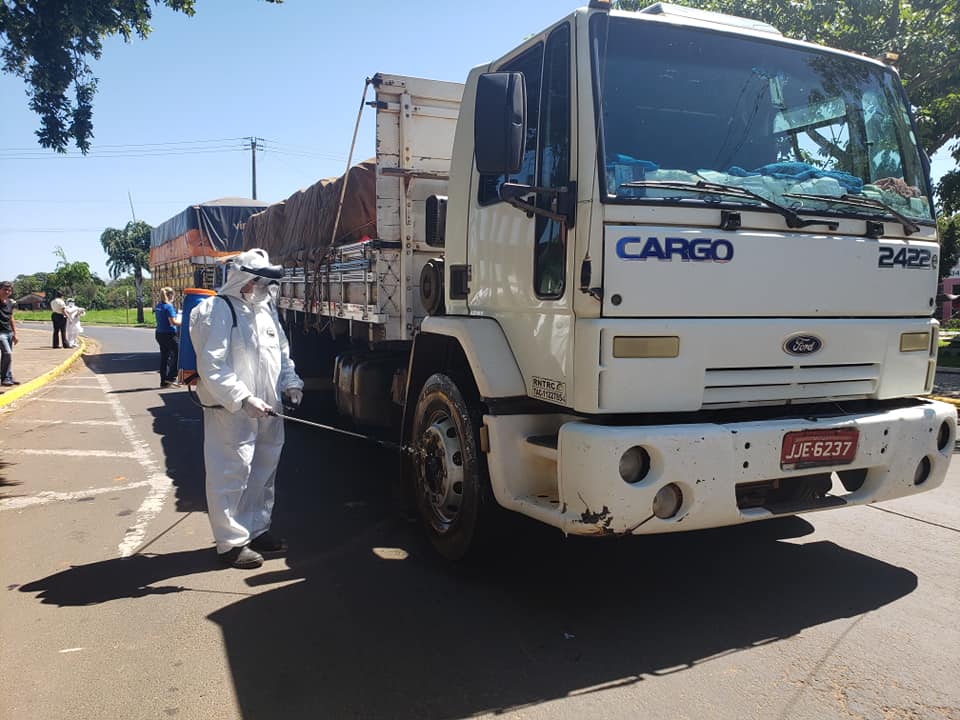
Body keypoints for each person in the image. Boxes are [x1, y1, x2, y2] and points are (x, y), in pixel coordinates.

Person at [189, 249, 303, 569]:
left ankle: (256, 529)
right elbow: (212, 364)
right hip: (232, 409)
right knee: (232, 470)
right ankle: (230, 542)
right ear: (244, 279)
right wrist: (242, 398)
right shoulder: (218, 310)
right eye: (260, 281)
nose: (266, 288)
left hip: (268, 406)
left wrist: (291, 383)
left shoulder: (266, 311)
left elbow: (281, 353)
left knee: (264, 470)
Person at [154, 287, 181, 388]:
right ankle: (171, 377)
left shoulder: (159, 306)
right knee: (178, 354)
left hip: (159, 333)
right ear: (170, 296)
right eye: (173, 295)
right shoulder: (169, 307)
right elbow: (172, 322)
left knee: (164, 357)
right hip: (169, 334)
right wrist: (184, 323)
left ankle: (163, 381)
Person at [0, 281, 20, 387]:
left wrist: (14, 333)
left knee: (7, 356)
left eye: (9, 290)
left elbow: (11, 318)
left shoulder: (9, 303)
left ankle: (8, 376)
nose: (7, 292)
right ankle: (5, 378)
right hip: (1, 334)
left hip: (8, 332)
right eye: (5, 289)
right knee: (7, 353)